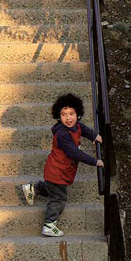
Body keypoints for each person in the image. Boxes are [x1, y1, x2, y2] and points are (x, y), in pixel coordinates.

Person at [18, 92, 98, 240]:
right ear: (58, 117)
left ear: (78, 114)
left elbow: (84, 130)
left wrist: (94, 137)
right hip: (57, 171)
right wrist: (94, 161)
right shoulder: (62, 135)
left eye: (71, 114)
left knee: (52, 189)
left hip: (60, 170)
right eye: (63, 115)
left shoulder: (77, 126)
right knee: (59, 198)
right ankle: (49, 224)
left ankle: (33, 188)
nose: (68, 118)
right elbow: (74, 153)